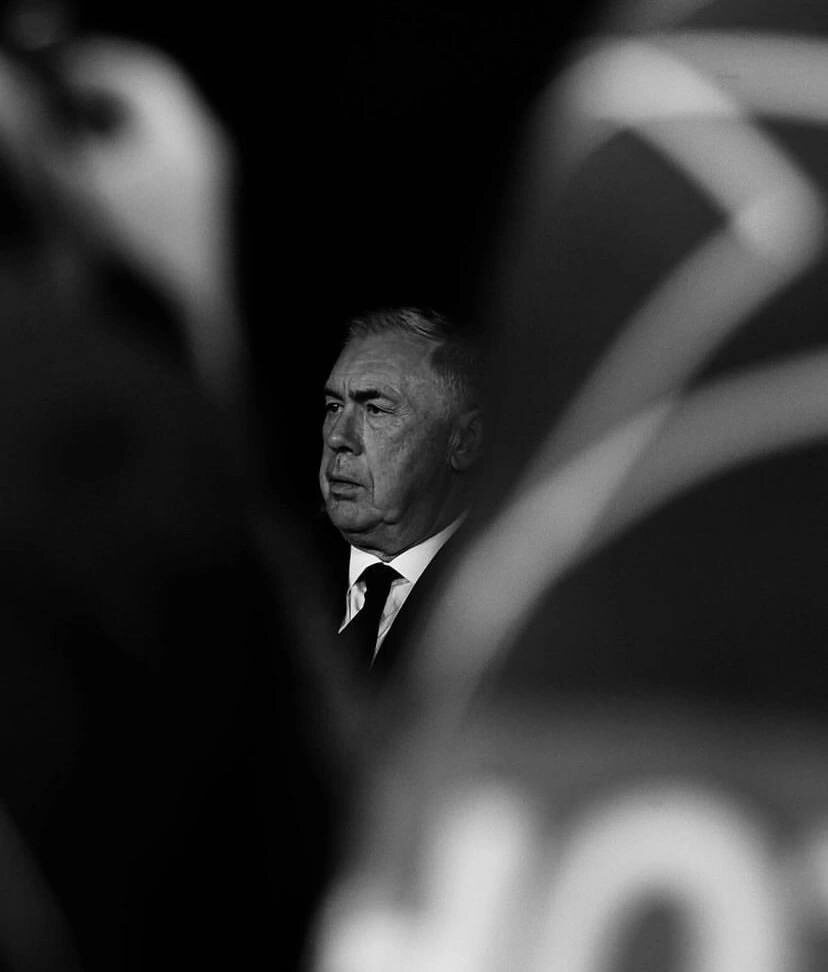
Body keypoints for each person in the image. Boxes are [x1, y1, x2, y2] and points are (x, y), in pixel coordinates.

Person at [319, 306, 483, 679]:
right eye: (334, 407)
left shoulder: (505, 597)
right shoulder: (279, 576)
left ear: (464, 442)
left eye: (375, 409)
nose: (338, 436)